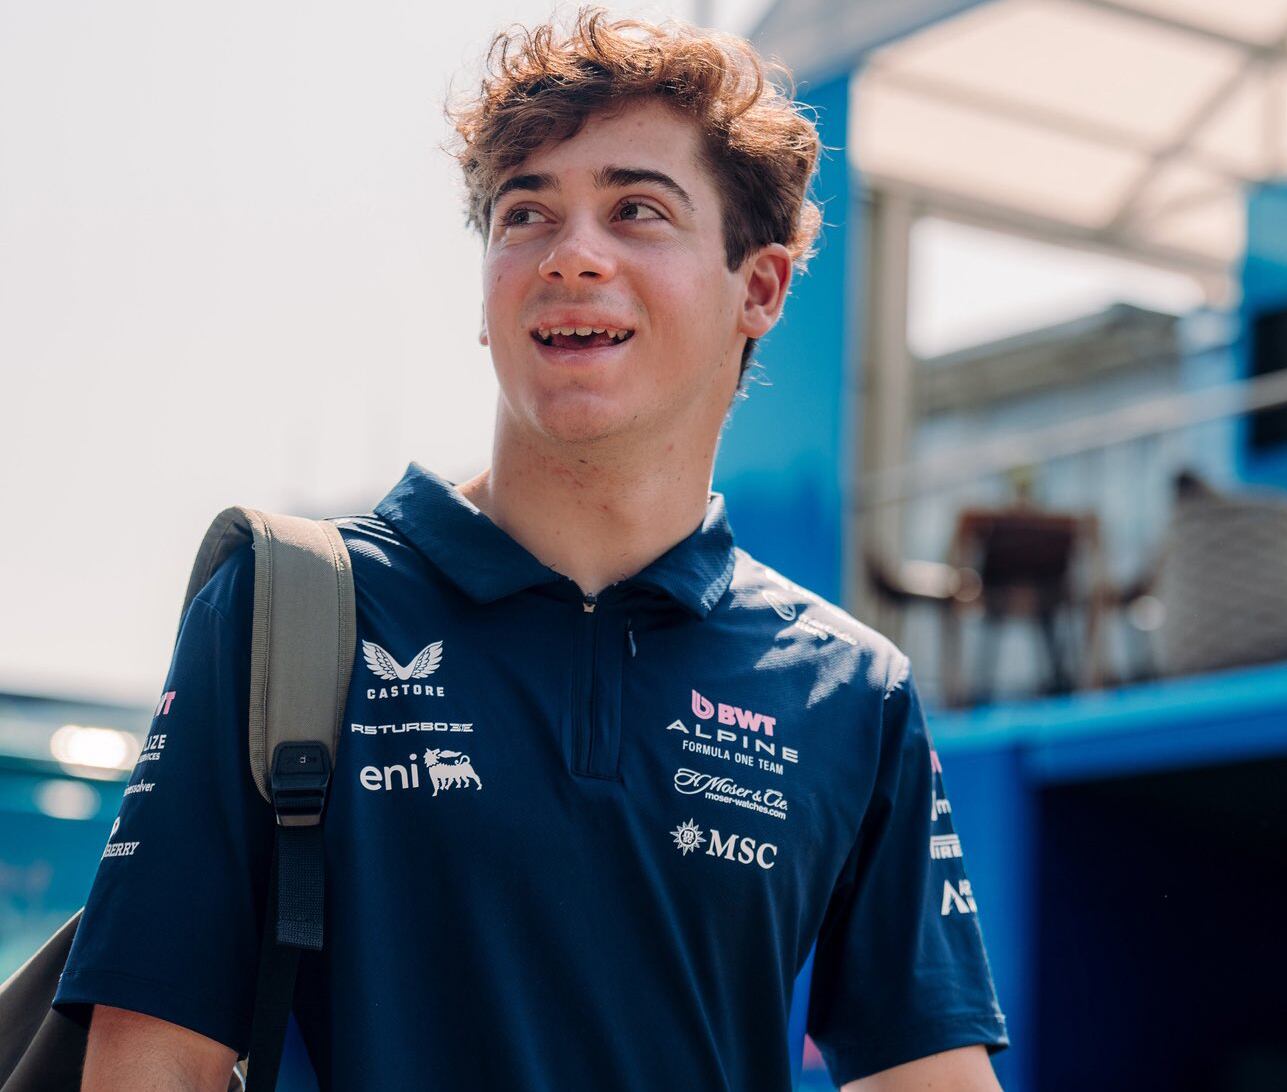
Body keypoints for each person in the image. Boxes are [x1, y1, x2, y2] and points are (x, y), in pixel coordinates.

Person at [53, 7, 1009, 1090]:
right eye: (527, 215)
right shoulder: (287, 606)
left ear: (761, 288)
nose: (572, 256)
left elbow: (926, 1073)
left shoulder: (850, 693)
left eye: (636, 210)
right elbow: (149, 1066)